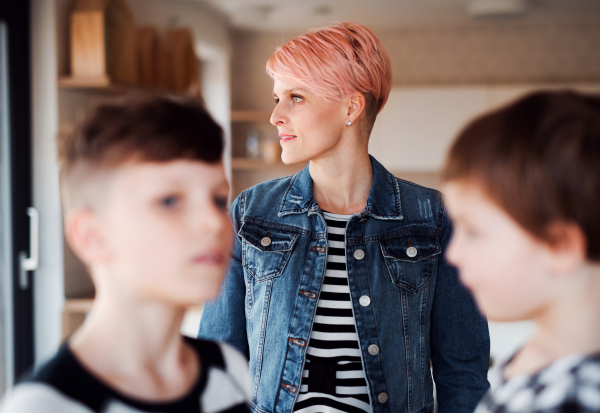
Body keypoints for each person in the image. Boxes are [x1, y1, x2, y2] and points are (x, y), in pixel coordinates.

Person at [198, 22, 490, 413]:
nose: (276, 116)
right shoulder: (251, 213)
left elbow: (463, 374)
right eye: (277, 98)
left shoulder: (432, 217)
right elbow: (218, 362)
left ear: (351, 107)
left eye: (295, 97)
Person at [0, 95, 251, 413]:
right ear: (91, 236)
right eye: (170, 201)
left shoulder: (229, 370)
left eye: (217, 200)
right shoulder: (44, 406)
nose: (214, 222)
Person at [441, 91, 600, 413]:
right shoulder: (539, 354)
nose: (453, 254)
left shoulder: (576, 399)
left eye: (473, 231)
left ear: (560, 245)